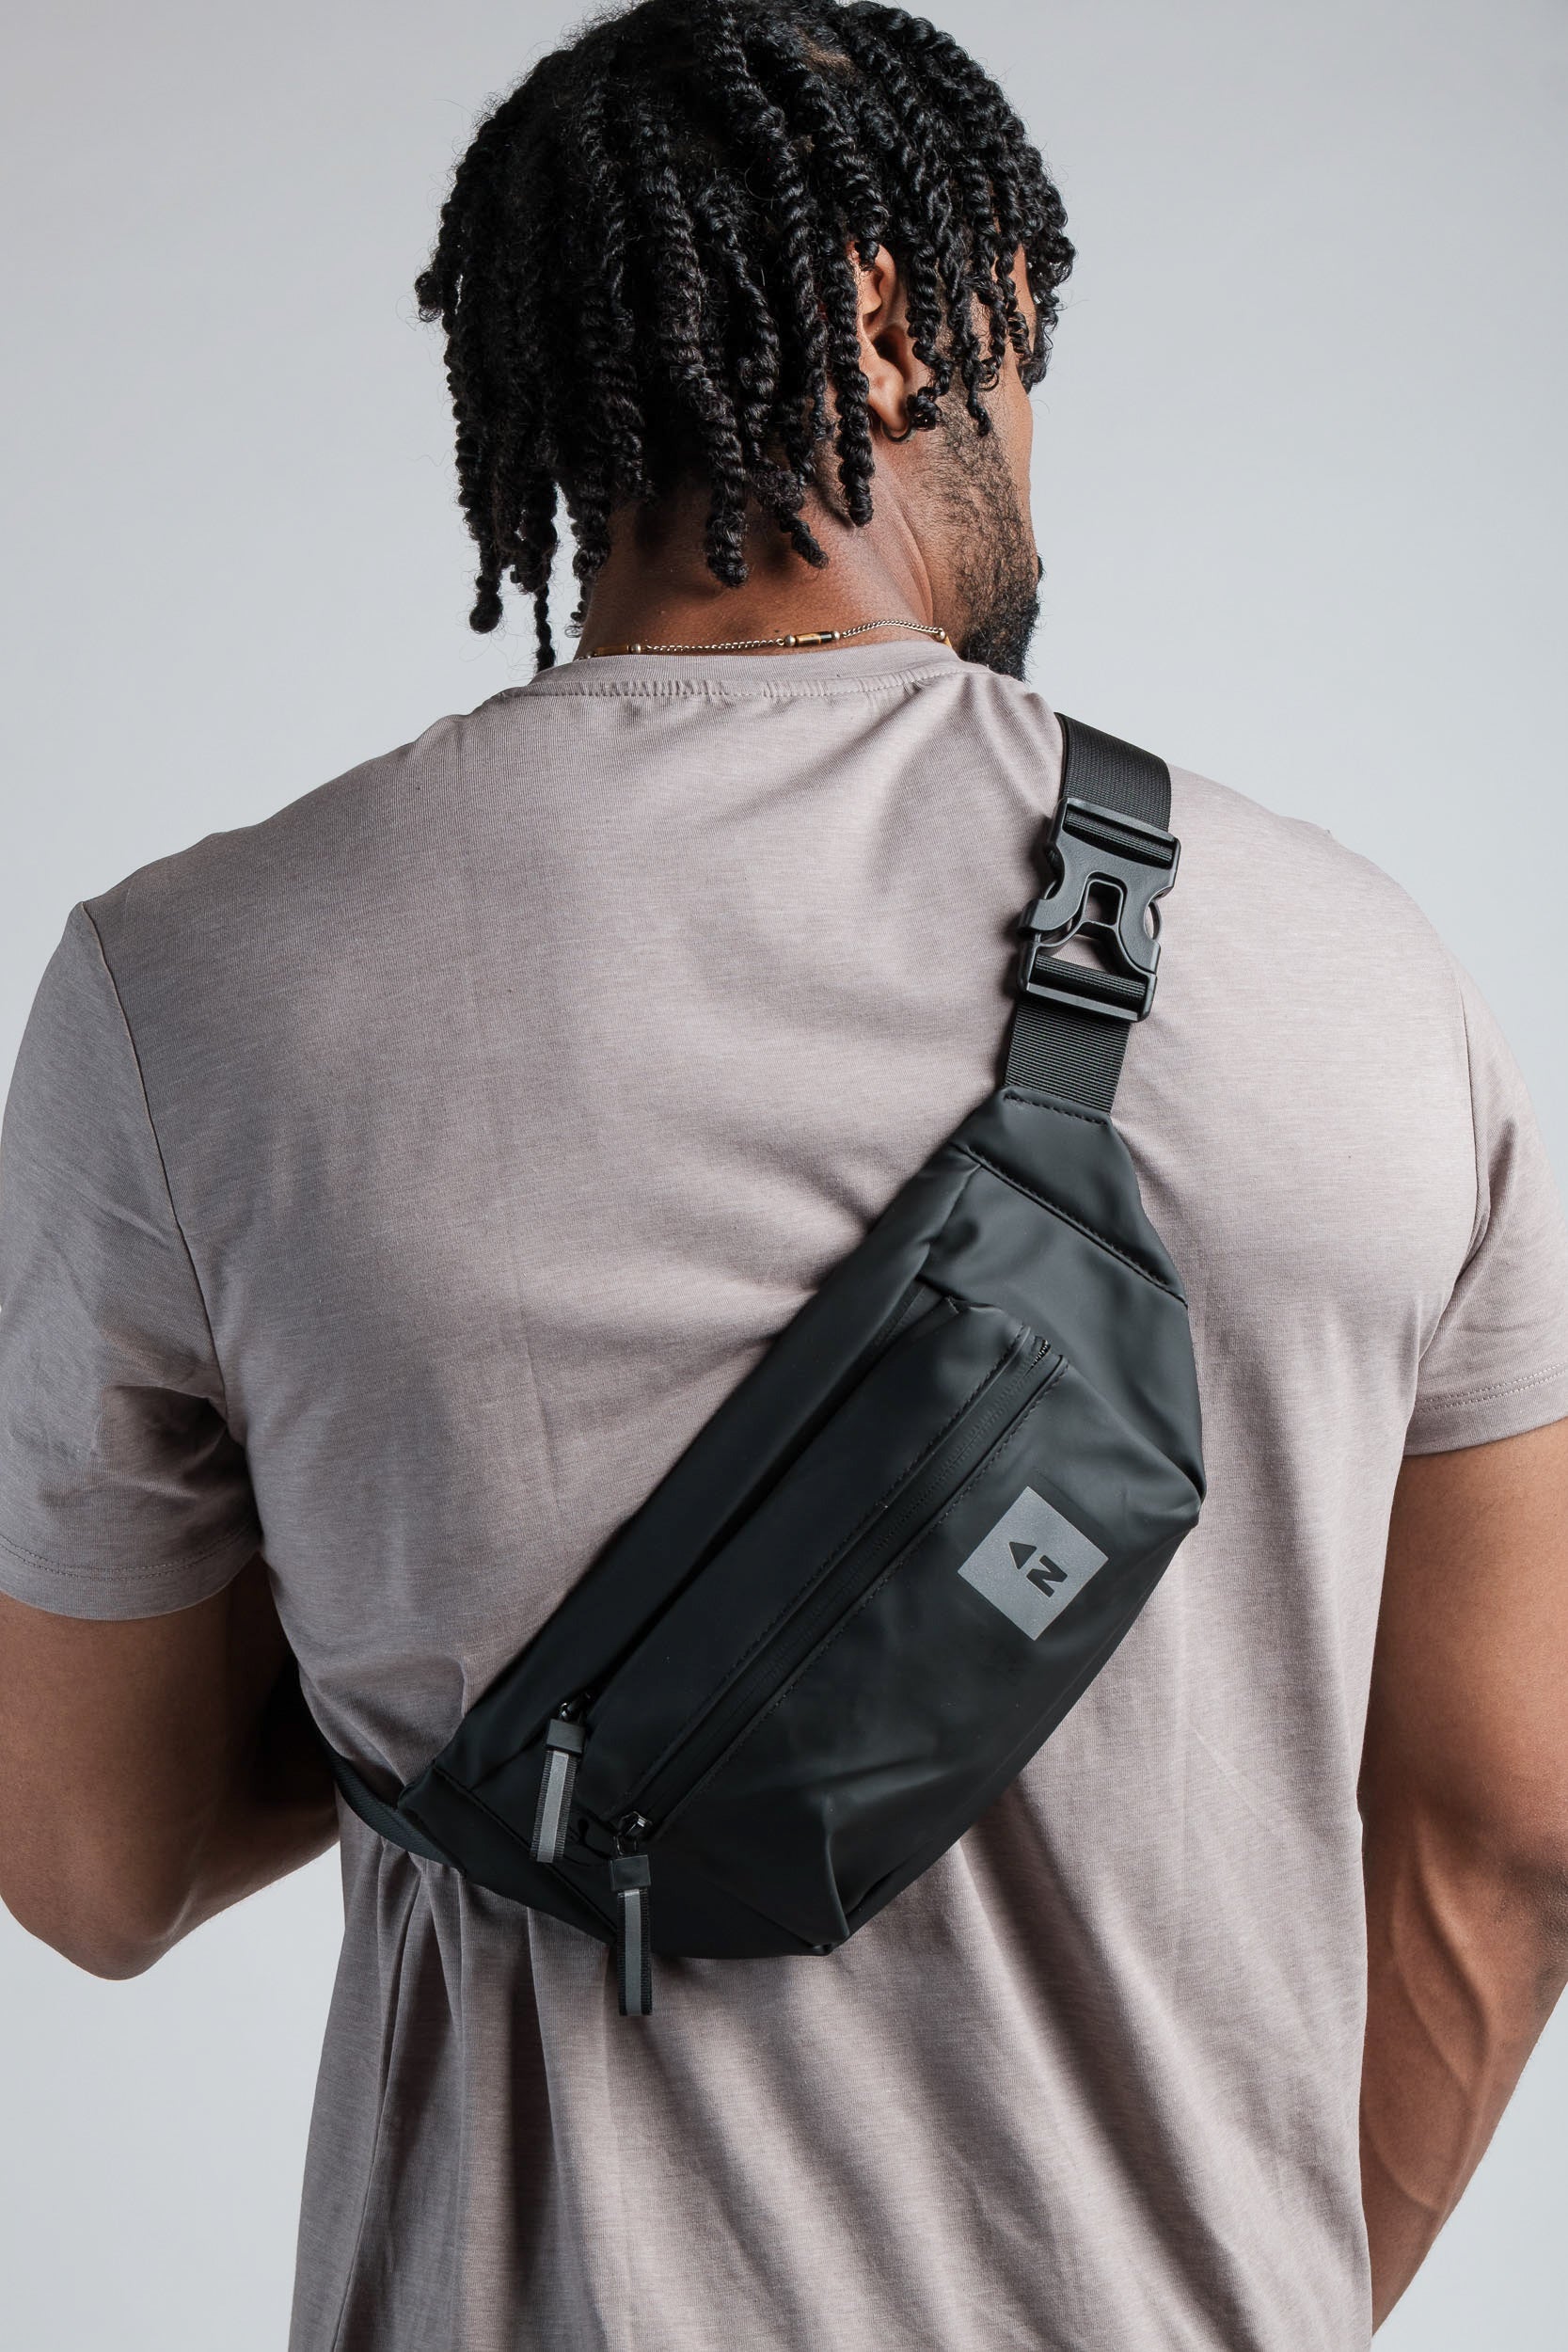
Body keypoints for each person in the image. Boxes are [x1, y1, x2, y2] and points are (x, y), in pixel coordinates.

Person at [1, 3, 1565, 2345]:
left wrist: (431, 1598)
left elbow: (88, 1863)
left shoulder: (189, 992)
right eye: (1027, 344)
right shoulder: (1364, 975)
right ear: (907, 319)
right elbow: (1511, 1833)